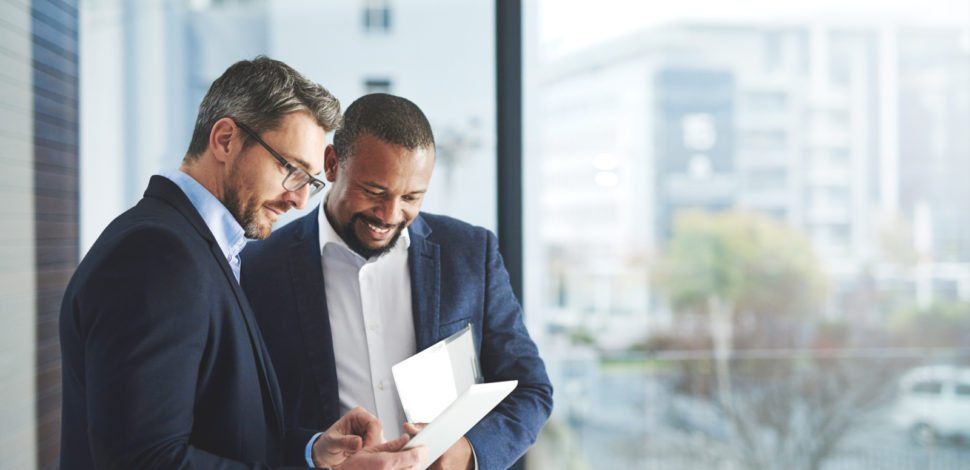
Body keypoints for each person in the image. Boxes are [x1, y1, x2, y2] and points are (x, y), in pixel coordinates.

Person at [59, 57, 427, 470]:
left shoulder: (206, 249)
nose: (299, 200)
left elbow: (217, 432)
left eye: (310, 181)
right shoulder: (157, 254)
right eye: (290, 170)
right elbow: (145, 459)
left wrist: (313, 452)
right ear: (225, 140)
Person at [241, 93, 553, 470]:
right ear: (332, 163)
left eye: (411, 197)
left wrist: (469, 453)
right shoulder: (258, 269)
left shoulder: (470, 253)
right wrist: (311, 452)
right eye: (374, 192)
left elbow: (531, 390)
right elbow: (243, 417)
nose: (390, 215)